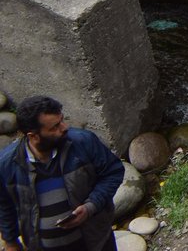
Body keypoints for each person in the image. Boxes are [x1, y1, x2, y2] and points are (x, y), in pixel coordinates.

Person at [0, 95, 124, 251]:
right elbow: (4, 205)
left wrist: (90, 206)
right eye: (55, 127)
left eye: (62, 120)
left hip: (96, 243)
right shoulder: (7, 165)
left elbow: (113, 172)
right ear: (33, 136)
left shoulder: (84, 142)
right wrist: (10, 241)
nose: (64, 127)